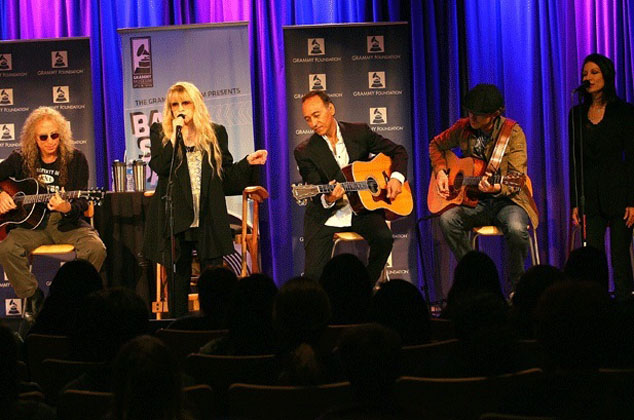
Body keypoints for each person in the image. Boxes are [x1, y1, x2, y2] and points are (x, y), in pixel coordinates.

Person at [144, 81, 267, 317]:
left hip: (207, 214)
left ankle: (217, 321)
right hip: (177, 216)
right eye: (174, 105)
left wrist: (247, 162)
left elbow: (226, 177)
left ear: (196, 104)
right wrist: (175, 136)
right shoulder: (162, 132)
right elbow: (161, 167)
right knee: (178, 274)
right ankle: (177, 323)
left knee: (213, 276)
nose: (180, 109)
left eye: (185, 103)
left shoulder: (215, 133)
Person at [429, 84, 538, 295]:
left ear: (494, 114)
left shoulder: (513, 133)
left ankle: (517, 288)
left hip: (508, 201)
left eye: (478, 115)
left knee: (516, 229)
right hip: (475, 202)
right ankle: (480, 279)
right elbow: (436, 145)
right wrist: (441, 171)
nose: (472, 118)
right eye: (470, 112)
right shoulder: (463, 127)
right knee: (448, 220)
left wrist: (497, 187)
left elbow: (516, 178)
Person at [0, 106, 106, 320]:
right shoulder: (20, 158)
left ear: (62, 134)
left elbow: (82, 200)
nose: (50, 141)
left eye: (54, 135)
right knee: (8, 248)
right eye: (43, 137)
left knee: (96, 248)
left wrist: (67, 208)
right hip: (31, 225)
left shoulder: (75, 159)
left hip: (65, 223)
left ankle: (74, 298)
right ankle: (33, 297)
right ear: (34, 138)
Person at [294, 91, 408, 285]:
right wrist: (328, 198)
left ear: (331, 109)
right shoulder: (304, 151)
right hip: (325, 215)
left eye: (317, 115)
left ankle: (364, 287)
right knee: (313, 275)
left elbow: (398, 151)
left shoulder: (359, 132)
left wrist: (396, 178)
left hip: (362, 208)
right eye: (307, 119)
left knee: (383, 239)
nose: (313, 123)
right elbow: (314, 188)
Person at [569, 53, 634, 300]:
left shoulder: (624, 111)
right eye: (585, 73)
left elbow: (632, 158)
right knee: (592, 258)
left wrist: (632, 200)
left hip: (619, 192)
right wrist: (575, 202)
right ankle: (595, 308)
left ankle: (625, 307)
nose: (588, 77)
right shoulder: (576, 114)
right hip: (590, 195)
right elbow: (575, 161)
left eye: (594, 72)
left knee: (619, 256)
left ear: (606, 75)